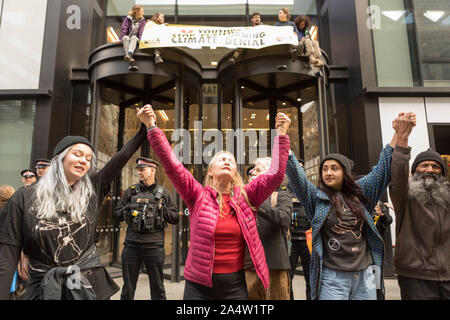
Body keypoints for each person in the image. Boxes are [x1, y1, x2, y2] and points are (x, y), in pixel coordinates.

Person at [137, 104, 291, 300]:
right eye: (221, 159)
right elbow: (172, 164)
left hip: (235, 285)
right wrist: (151, 126)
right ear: (210, 171)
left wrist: (282, 133)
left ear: (235, 172)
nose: (227, 161)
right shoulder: (197, 195)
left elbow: (276, 173)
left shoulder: (247, 196)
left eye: (231, 160)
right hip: (199, 287)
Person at [0, 110, 149, 300]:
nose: (83, 161)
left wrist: (144, 129)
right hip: (45, 288)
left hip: (87, 285)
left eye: (88, 159)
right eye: (77, 154)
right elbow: (7, 258)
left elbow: (119, 160)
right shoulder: (23, 198)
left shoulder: (92, 190)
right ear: (58, 158)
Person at [285, 113, 416, 300]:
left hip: (367, 272)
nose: (328, 172)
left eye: (334, 168)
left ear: (345, 173)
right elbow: (297, 177)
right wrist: (282, 134)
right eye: (324, 168)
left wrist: (399, 134)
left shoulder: (363, 191)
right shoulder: (317, 198)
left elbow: (384, 166)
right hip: (332, 276)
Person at [389, 116, 450, 300]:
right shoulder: (404, 197)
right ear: (414, 172)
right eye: (424, 165)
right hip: (415, 278)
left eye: (436, 166)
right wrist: (402, 139)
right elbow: (398, 173)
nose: (430, 169)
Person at [115, 157, 179, 300]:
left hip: (154, 247)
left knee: (157, 287)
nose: (139, 173)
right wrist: (129, 207)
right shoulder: (130, 192)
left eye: (142, 169)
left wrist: (162, 209)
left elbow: (175, 218)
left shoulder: (163, 193)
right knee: (128, 289)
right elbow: (117, 215)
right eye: (138, 170)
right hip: (131, 246)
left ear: (152, 170)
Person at [245, 157, 292, 300]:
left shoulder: (281, 195)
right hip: (249, 266)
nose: (253, 173)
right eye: (253, 170)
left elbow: (284, 219)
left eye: (258, 170)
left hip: (274, 266)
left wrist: (259, 203)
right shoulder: (243, 197)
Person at [288, 158, 312, 300]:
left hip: (307, 240)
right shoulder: (285, 189)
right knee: (288, 278)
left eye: (301, 168)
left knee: (311, 277)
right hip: (290, 241)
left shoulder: (308, 189)